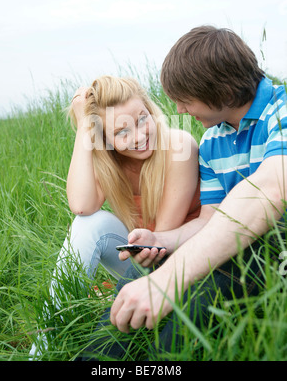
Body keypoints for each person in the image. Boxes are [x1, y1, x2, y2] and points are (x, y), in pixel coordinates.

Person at [79, 25, 287, 360]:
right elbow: (210, 219)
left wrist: (168, 281)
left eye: (186, 100)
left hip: (272, 257)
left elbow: (271, 191)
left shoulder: (282, 111)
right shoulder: (212, 140)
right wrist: (163, 241)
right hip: (232, 251)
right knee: (137, 278)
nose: (179, 111)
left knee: (197, 303)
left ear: (218, 91)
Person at [30, 75, 200, 359]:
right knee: (90, 224)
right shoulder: (111, 162)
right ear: (104, 138)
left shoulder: (179, 146)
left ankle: (111, 334)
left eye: (142, 118)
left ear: (150, 109)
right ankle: (44, 344)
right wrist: (85, 127)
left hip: (182, 259)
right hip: (139, 259)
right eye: (121, 132)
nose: (139, 135)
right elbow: (82, 206)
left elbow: (161, 238)